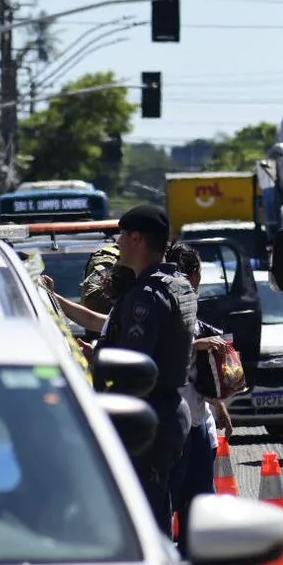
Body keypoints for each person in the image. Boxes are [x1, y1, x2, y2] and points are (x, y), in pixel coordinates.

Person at [50, 205, 195, 531]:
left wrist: (95, 361)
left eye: (121, 236)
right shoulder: (175, 284)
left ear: (136, 238)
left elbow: (131, 366)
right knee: (156, 510)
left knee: (142, 520)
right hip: (167, 411)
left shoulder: (146, 296)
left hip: (144, 419)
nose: (118, 244)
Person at [164, 243, 233, 543]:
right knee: (168, 499)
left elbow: (198, 376)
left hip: (198, 421)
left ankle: (197, 560)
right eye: (197, 274)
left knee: (200, 500)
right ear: (192, 274)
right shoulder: (162, 307)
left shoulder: (191, 311)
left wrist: (220, 410)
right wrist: (196, 346)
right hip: (173, 422)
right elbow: (162, 355)